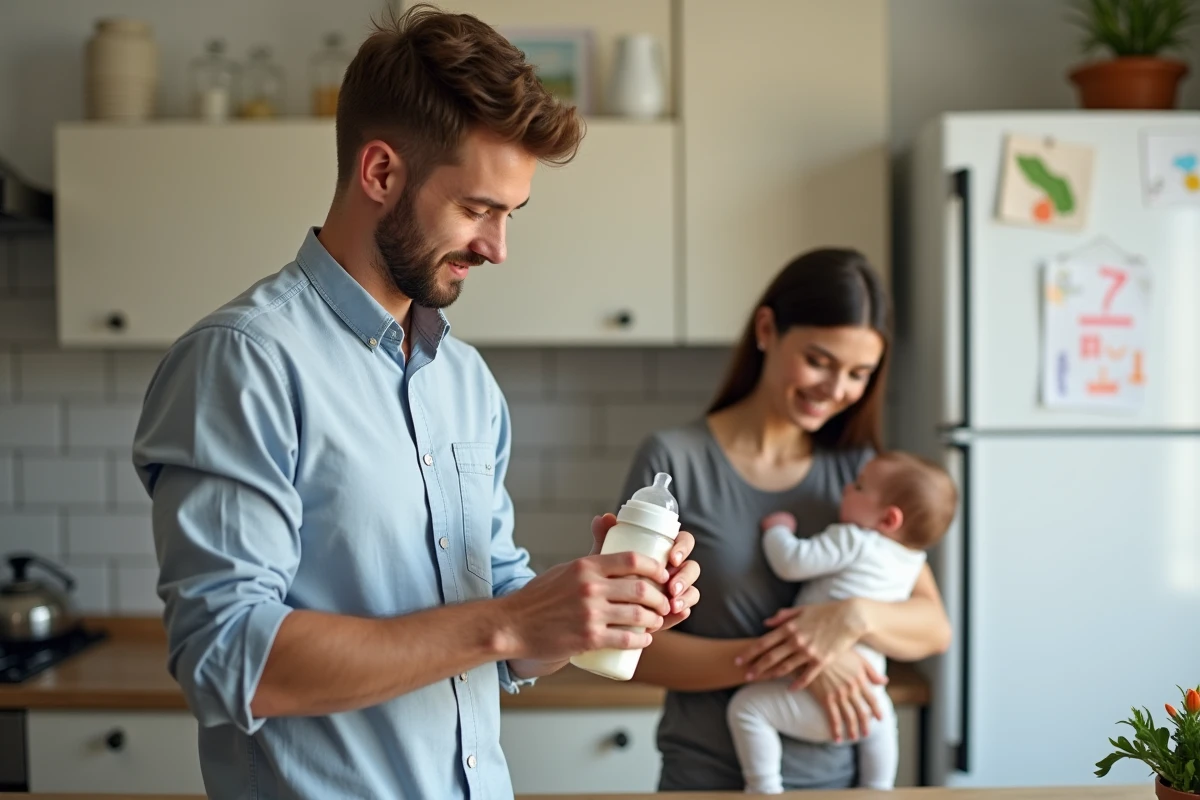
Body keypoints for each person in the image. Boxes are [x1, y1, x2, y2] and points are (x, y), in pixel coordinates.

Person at [130, 6, 700, 799]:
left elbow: (505, 641)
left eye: (510, 215)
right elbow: (229, 661)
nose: (499, 248)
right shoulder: (244, 362)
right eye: (477, 209)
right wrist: (510, 621)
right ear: (380, 173)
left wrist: (585, 605)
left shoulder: (464, 383)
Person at [618, 247, 953, 791]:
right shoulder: (674, 462)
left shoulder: (862, 475)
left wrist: (851, 619)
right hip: (708, 779)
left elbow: (933, 627)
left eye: (859, 373)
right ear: (768, 328)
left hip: (841, 782)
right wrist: (798, 656)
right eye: (819, 360)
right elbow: (634, 646)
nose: (836, 389)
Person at [727, 451, 958, 793]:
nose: (847, 488)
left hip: (807, 688)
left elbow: (791, 562)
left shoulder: (853, 538)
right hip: (865, 692)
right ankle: (878, 787)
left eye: (860, 487)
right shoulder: (910, 562)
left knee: (747, 708)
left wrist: (778, 530)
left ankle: (763, 787)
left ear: (889, 519)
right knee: (883, 720)